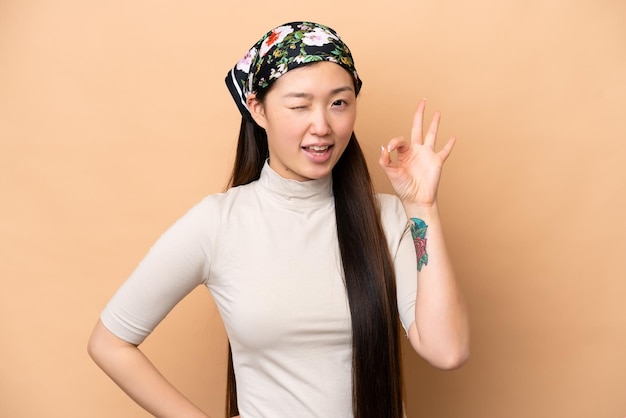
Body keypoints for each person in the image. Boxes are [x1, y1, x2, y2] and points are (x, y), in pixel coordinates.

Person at [87, 21, 469, 418]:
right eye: (300, 105)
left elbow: (448, 350)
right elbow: (109, 342)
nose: (321, 126)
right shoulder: (219, 223)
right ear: (258, 109)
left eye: (339, 103)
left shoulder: (386, 217)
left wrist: (422, 206)